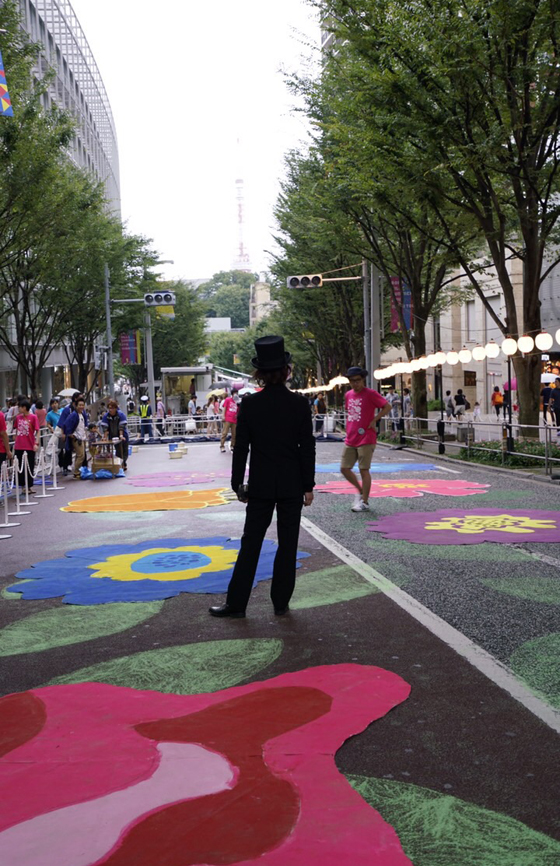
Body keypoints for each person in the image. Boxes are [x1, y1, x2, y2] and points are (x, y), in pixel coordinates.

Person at [210, 335, 315, 618]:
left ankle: (237, 603)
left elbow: (241, 446)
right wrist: (308, 485)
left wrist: (237, 483)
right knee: (288, 543)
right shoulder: (299, 404)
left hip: (261, 483)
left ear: (259, 374)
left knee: (251, 543)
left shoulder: (250, 405)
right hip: (292, 483)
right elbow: (307, 447)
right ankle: (280, 602)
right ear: (286, 371)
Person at [340, 366, 391, 512]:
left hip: (366, 437)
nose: (355, 383)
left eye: (358, 380)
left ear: (363, 380)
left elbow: (387, 406)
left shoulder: (370, 394)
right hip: (351, 437)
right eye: (352, 381)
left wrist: (375, 420)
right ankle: (360, 490)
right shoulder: (348, 395)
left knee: (364, 469)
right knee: (344, 468)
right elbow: (350, 413)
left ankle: (365, 501)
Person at [13, 398, 40, 494]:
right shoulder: (18, 418)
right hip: (19, 446)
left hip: (30, 445)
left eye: (20, 407)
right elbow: (15, 429)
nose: (19, 409)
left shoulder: (33, 417)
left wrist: (36, 443)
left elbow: (37, 431)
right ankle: (23, 486)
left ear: (24, 407)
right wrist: (15, 438)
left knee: (30, 466)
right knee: (20, 467)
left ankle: (29, 486)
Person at [99, 399, 130, 470]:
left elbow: (121, 427)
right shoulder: (106, 416)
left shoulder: (121, 415)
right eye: (109, 408)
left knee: (125, 450)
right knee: (118, 451)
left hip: (123, 435)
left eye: (112, 408)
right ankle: (119, 465)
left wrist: (121, 435)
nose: (111, 410)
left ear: (116, 408)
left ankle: (123, 463)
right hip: (113, 436)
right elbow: (105, 428)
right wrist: (105, 437)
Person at [64, 397, 89, 478]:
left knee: (79, 455)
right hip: (76, 438)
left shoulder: (82, 414)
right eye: (80, 405)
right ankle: (76, 471)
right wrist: (70, 434)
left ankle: (77, 470)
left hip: (81, 437)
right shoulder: (74, 415)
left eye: (82, 405)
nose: (81, 407)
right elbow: (66, 424)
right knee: (81, 455)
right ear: (76, 406)